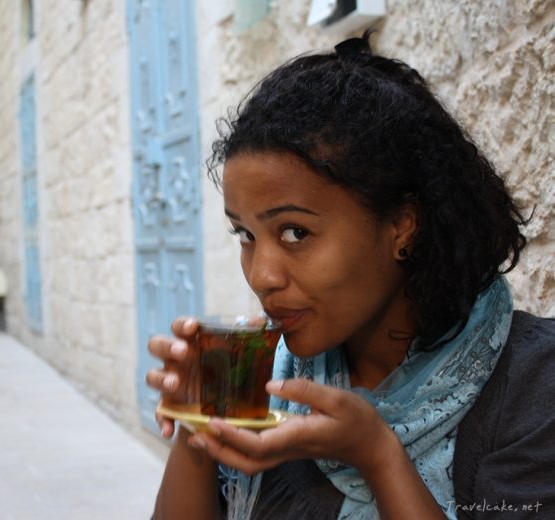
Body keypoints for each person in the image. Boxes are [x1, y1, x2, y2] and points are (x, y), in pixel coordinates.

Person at [146, 33, 555, 519]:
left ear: (403, 226)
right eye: (245, 235)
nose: (261, 276)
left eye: (295, 232)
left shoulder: (534, 384)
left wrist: (377, 453)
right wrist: (200, 425)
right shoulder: (266, 383)